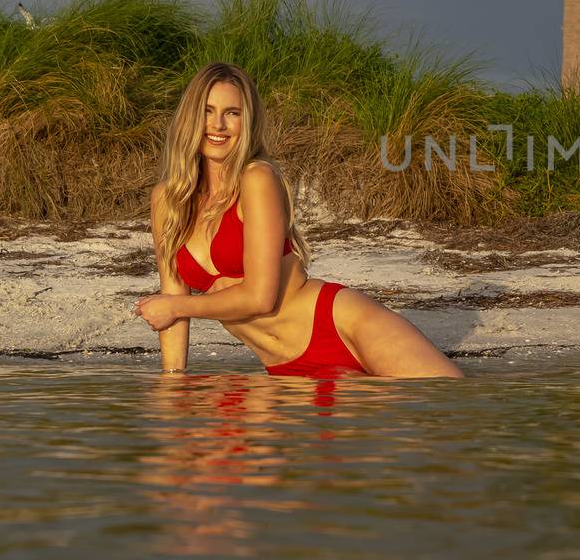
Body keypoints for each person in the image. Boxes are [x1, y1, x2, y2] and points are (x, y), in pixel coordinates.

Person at [134, 61, 463, 379]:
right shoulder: (168, 200)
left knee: (441, 411)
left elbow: (259, 298)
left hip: (341, 326)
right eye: (208, 111)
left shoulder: (257, 179)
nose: (218, 125)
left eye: (231, 113)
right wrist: (173, 381)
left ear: (246, 122)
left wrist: (178, 307)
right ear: (190, 117)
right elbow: (172, 302)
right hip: (286, 371)